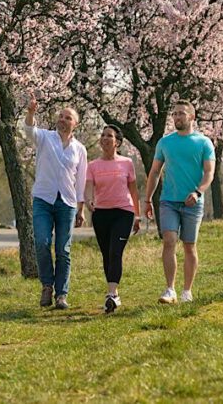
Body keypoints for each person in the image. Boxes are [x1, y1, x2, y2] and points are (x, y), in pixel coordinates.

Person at [144, 100, 215, 304]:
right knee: (169, 241)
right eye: (174, 114)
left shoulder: (204, 143)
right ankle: (170, 289)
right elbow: (155, 171)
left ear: (192, 117)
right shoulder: (165, 143)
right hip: (168, 201)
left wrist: (198, 192)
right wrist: (148, 199)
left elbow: (209, 173)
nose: (177, 117)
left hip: (193, 201)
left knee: (189, 246)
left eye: (181, 113)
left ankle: (187, 291)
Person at [24, 94, 87, 309]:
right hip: (43, 198)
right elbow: (28, 131)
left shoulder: (80, 149)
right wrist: (31, 112)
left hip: (67, 203)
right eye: (60, 116)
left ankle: (62, 294)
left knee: (63, 249)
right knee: (42, 242)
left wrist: (81, 208)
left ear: (75, 124)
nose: (62, 119)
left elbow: (80, 180)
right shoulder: (45, 137)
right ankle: (47, 286)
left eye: (67, 117)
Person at [85, 125, 141, 313]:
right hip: (101, 214)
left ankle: (111, 294)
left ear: (117, 142)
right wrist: (88, 201)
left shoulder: (126, 163)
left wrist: (137, 215)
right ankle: (114, 294)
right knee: (106, 254)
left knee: (115, 252)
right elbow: (89, 187)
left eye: (109, 136)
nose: (105, 138)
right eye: (102, 135)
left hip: (123, 213)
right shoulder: (93, 165)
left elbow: (133, 190)